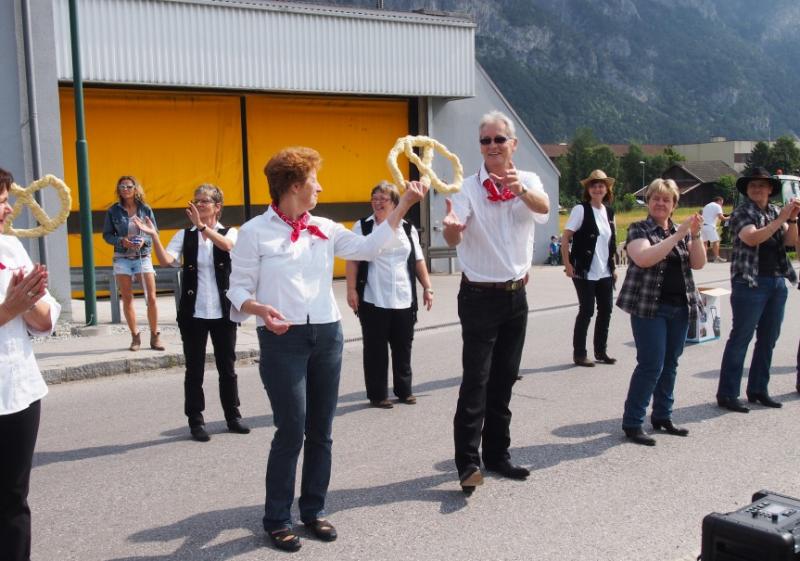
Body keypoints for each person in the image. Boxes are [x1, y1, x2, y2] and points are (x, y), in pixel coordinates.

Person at [226, 147, 427, 552]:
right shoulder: (254, 232)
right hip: (282, 339)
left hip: (327, 336)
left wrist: (404, 204)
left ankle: (313, 509)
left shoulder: (325, 227)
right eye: (314, 181)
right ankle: (277, 518)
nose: (320, 187)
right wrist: (259, 309)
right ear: (294, 186)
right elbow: (238, 287)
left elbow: (369, 248)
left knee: (321, 430)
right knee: (291, 430)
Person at [443, 110, 550, 494]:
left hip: (515, 295)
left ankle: (497, 454)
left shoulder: (529, 180)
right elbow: (453, 236)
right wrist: (452, 230)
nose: (492, 146)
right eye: (485, 140)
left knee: (504, 379)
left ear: (513, 144)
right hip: (478, 296)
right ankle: (467, 464)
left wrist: (519, 189)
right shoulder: (466, 187)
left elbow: (543, 208)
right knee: (477, 381)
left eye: (499, 139)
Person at [133, 184, 249, 442]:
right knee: (194, 370)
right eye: (195, 201)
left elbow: (227, 246)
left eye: (204, 201)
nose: (198, 205)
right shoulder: (185, 235)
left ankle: (233, 416)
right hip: (193, 312)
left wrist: (203, 227)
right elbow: (166, 261)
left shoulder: (230, 232)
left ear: (217, 207)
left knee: (227, 367)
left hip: (223, 311)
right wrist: (154, 236)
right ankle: (196, 421)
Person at [0, 167, 61, 561]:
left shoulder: (10, 248)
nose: (9, 210)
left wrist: (31, 303)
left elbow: (45, 319)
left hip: (18, 392)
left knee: (13, 501)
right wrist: (8, 309)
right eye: (2, 202)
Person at [617, 179, 705, 446]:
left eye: (666, 199)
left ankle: (663, 416)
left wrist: (695, 235)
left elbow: (698, 263)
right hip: (649, 307)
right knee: (651, 364)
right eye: (656, 198)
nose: (660, 203)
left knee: (671, 363)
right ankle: (633, 422)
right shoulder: (639, 228)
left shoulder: (681, 231)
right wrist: (678, 235)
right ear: (649, 201)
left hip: (680, 307)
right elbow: (644, 258)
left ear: (674, 205)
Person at [716, 167, 800, 413]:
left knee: (768, 338)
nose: (757, 189)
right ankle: (728, 393)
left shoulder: (774, 211)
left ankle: (758, 389)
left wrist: (792, 219)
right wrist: (782, 219)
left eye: (762, 185)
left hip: (776, 281)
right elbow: (752, 238)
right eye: (753, 185)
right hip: (749, 283)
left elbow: (790, 242)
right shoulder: (742, 212)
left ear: (770, 189)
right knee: (741, 337)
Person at [345, 181, 433, 409]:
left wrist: (427, 287)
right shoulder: (363, 226)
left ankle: (404, 390)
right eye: (374, 198)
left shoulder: (407, 228)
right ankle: (377, 395)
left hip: (403, 297)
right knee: (375, 349)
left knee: (403, 346)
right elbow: (353, 260)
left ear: (395, 203)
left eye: (383, 199)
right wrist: (351, 289)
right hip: (374, 297)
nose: (377, 203)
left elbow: (418, 260)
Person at [561, 169, 617, 367]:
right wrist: (568, 264)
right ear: (588, 189)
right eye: (594, 186)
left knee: (606, 310)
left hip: (605, 270)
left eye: (601, 185)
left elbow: (610, 242)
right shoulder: (581, 209)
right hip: (584, 269)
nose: (597, 189)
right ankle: (579, 354)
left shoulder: (609, 212)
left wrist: (613, 267)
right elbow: (565, 238)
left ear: (607, 190)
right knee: (586, 310)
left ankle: (601, 351)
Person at [102, 176, 163, 351]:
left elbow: (154, 232)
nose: (125, 189)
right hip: (122, 258)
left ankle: (155, 335)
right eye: (122, 186)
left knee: (151, 297)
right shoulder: (113, 211)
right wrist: (122, 241)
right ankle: (135, 336)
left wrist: (144, 240)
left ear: (135, 189)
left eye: (129, 186)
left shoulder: (145, 209)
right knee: (127, 298)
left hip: (143, 256)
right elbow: (107, 235)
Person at [701, 196, 729, 263]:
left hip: (702, 226)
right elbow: (721, 218)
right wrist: (731, 217)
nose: (722, 205)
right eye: (722, 203)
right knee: (716, 241)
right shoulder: (717, 206)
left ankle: (703, 259)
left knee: (704, 242)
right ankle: (716, 258)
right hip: (710, 226)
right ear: (719, 201)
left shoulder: (707, 206)